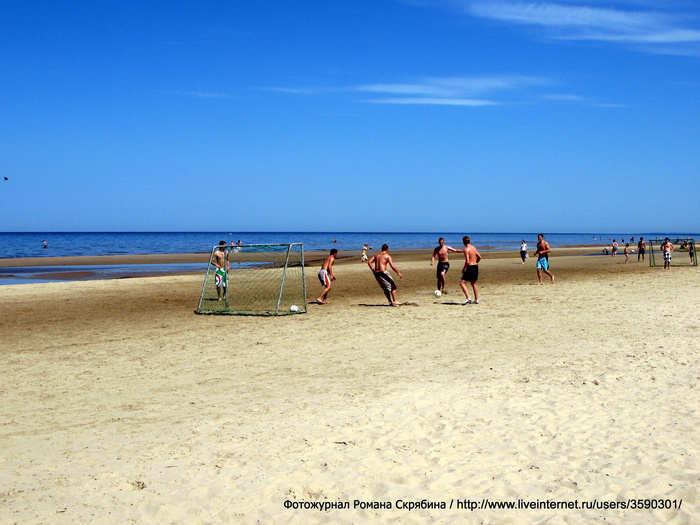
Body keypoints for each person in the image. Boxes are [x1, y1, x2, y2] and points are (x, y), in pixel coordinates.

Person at [459, 236, 482, 304]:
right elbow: (479, 257)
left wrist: (463, 269)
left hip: (470, 266)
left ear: (463, 242)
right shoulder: (473, 248)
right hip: (475, 266)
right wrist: (476, 262)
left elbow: (468, 261)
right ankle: (476, 299)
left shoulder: (466, 249)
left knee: (462, 283)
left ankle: (468, 298)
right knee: (473, 283)